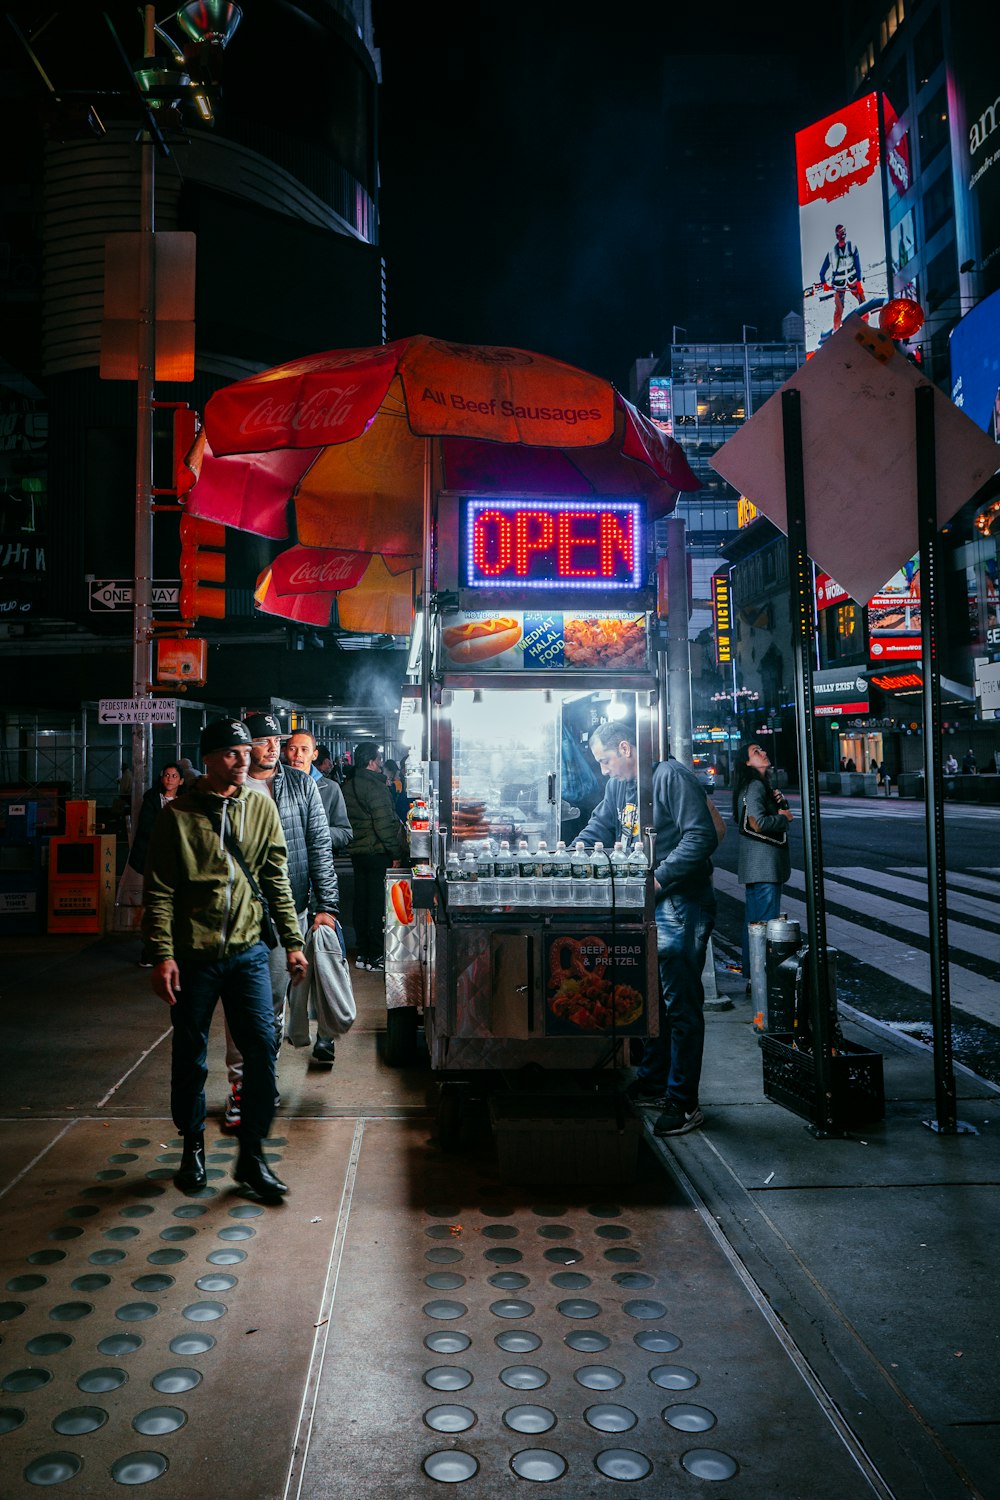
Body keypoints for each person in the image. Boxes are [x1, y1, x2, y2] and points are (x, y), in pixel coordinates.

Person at [142, 718, 307, 1201]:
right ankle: (192, 1147)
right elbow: (160, 891)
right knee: (190, 1056)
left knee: (261, 1052)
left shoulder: (260, 808)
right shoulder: (178, 816)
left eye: (245, 752)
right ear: (210, 758)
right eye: (232, 753)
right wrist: (163, 954)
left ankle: (252, 1157)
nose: (244, 761)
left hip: (250, 952)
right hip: (194, 957)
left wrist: (292, 943)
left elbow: (276, 878)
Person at [577, 721, 718, 1137]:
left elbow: (701, 836)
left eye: (605, 760)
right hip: (649, 903)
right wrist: (572, 854)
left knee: (681, 1004)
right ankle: (656, 1082)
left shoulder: (670, 776)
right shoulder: (620, 786)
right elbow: (599, 826)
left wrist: (660, 878)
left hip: (681, 901)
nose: (604, 770)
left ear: (625, 747)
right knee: (653, 998)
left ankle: (684, 1101)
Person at [222, 713, 343, 1128]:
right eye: (263, 740)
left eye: (277, 738)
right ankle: (246, 1086)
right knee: (248, 1006)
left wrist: (328, 907)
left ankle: (260, 1081)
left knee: (272, 1006)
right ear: (243, 747)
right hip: (238, 916)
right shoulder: (230, 790)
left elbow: (320, 846)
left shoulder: (301, 784)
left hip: (290, 911)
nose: (273, 746)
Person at [342, 741, 407, 972]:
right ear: (371, 762)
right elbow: (384, 825)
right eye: (379, 760)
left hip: (358, 853)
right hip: (377, 852)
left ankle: (362, 951)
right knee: (377, 904)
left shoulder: (347, 785)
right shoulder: (376, 787)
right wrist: (396, 852)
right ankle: (375, 955)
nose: (381, 764)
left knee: (361, 900)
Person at [731, 743, 793, 981]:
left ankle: (753, 976)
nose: (763, 752)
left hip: (756, 867)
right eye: (756, 751)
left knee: (754, 925)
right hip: (765, 866)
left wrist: (780, 803)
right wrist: (782, 817)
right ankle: (761, 980)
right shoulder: (755, 785)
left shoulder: (755, 786)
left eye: (762, 749)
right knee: (764, 926)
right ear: (747, 763)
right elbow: (756, 823)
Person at [117, 763, 184, 966]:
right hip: (155, 860)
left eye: (174, 775)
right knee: (155, 907)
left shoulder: (186, 801)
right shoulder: (152, 799)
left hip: (180, 862)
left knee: (178, 907)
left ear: (181, 781)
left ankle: (174, 953)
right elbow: (146, 828)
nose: (169, 779)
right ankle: (150, 952)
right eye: (166, 775)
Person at [283, 730, 353, 851]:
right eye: (292, 749)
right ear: (284, 752)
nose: (298, 754)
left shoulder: (330, 788)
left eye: (304, 749)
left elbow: (345, 833)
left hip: (317, 863)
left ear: (314, 754)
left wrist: (316, 833)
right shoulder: (275, 786)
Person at [820, 224, 865, 332]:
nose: (842, 235)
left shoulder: (852, 247)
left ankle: (864, 325)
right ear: (837, 236)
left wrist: (859, 282)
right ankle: (836, 332)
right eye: (840, 233)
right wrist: (824, 284)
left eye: (842, 232)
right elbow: (822, 272)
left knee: (863, 303)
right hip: (839, 283)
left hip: (852, 280)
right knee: (839, 309)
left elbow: (858, 266)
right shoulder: (831, 253)